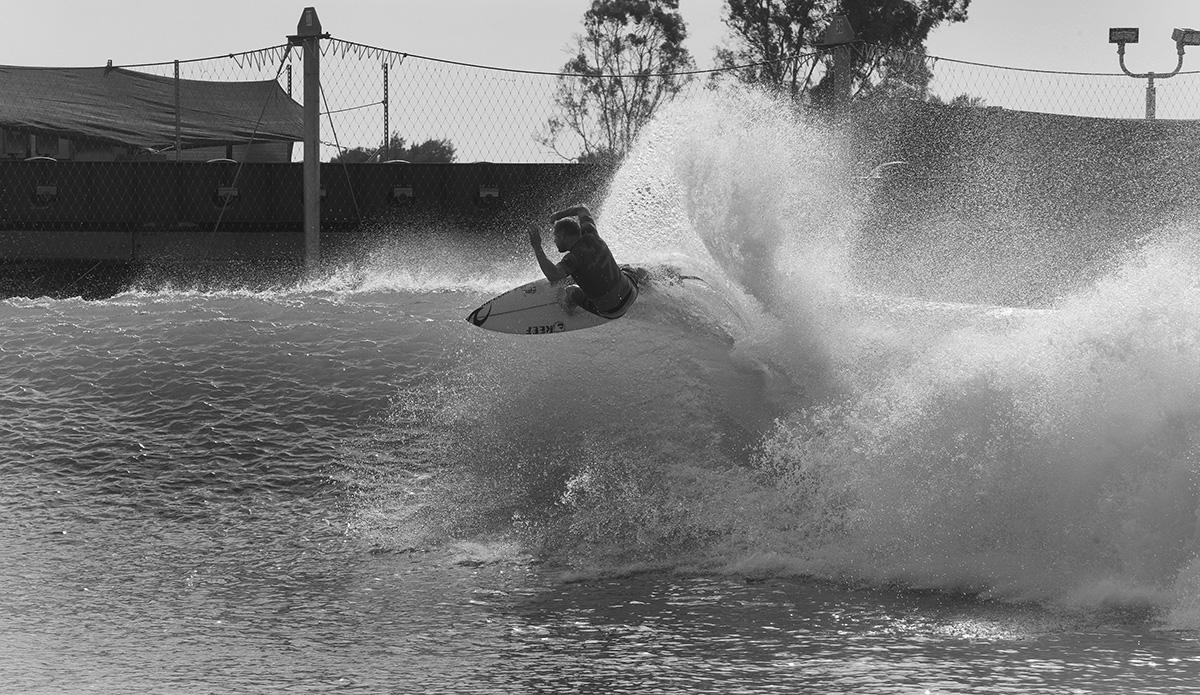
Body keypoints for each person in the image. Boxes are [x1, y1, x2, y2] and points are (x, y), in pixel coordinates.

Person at [529, 204, 639, 319]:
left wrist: (537, 246)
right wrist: (558, 215)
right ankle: (649, 279)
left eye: (555, 237)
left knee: (570, 290)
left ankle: (569, 310)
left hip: (612, 310)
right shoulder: (591, 233)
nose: (554, 240)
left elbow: (553, 275)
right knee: (628, 268)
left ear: (562, 236)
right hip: (631, 292)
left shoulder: (573, 258)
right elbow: (582, 209)